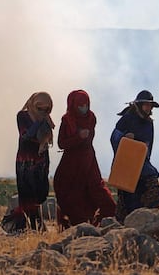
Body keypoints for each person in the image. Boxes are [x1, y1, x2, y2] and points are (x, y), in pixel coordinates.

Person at [53, 89, 116, 229]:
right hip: (71, 163)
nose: (84, 108)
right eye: (80, 106)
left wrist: (83, 138)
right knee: (70, 194)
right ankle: (74, 227)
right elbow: (61, 143)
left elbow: (88, 140)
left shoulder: (91, 118)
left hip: (88, 161)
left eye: (86, 105)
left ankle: (100, 225)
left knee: (98, 192)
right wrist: (78, 137)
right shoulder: (66, 120)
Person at [4, 91, 54, 233]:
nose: (43, 112)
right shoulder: (22, 116)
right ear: (33, 104)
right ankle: (26, 227)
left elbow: (47, 140)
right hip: (25, 162)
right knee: (27, 196)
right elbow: (25, 135)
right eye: (40, 108)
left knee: (40, 194)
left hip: (40, 162)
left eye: (47, 109)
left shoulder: (46, 120)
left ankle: (34, 226)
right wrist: (39, 122)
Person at [110, 90, 159, 222]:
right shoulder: (127, 119)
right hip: (126, 166)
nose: (148, 108)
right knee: (126, 202)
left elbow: (148, 147)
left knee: (151, 192)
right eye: (146, 105)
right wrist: (125, 138)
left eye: (150, 106)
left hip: (143, 166)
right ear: (139, 105)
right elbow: (114, 138)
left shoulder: (149, 123)